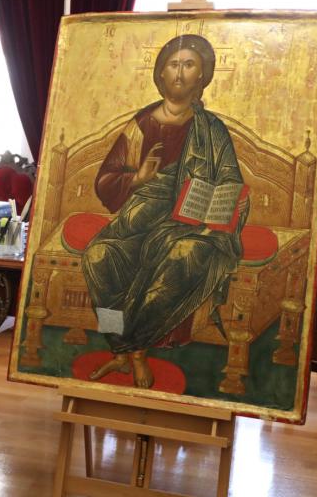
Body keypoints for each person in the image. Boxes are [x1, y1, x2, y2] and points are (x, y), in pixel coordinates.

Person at [82, 34, 248, 388]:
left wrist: (213, 206)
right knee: (98, 257)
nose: (180, 72)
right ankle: (119, 343)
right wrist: (138, 179)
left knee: (182, 255)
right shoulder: (140, 124)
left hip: (191, 223)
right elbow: (106, 180)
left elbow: (231, 181)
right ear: (160, 73)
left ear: (202, 75)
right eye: (173, 64)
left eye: (189, 65)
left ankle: (134, 352)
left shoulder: (212, 130)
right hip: (140, 216)